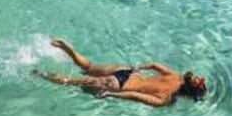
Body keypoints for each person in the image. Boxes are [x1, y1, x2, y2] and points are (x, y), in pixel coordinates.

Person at [33, 38, 207, 107]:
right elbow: (136, 96)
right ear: (188, 95)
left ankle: (69, 50)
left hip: (127, 72)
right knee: (70, 81)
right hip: (118, 85)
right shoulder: (166, 100)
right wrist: (111, 94)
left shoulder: (175, 76)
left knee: (88, 67)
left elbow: (155, 65)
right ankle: (38, 74)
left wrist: (138, 68)